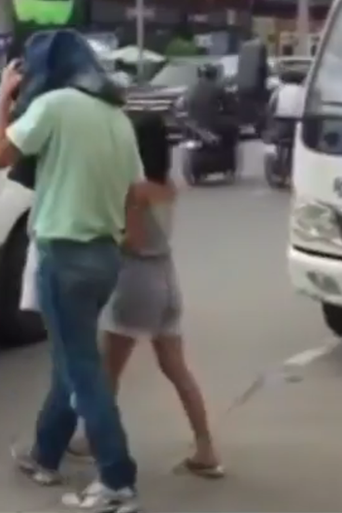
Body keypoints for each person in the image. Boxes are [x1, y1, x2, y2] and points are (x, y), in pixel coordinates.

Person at [0, 29, 144, 513]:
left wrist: (2, 100)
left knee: (82, 370)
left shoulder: (54, 105)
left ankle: (117, 477)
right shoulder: (117, 116)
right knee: (70, 359)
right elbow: (136, 192)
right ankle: (45, 454)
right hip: (104, 255)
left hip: (65, 253)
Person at [100, 113, 223, 478]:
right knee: (177, 369)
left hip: (136, 281)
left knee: (107, 371)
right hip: (168, 279)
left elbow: (131, 241)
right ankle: (205, 447)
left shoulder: (135, 191)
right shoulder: (169, 186)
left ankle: (98, 442)